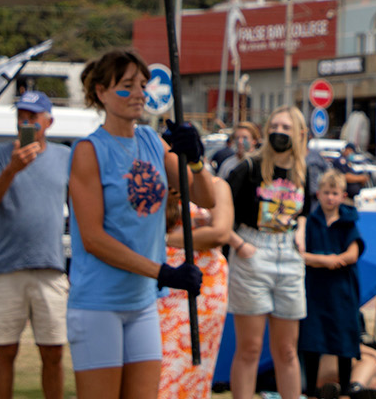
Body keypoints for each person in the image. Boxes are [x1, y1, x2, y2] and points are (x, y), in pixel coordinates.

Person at [65, 50, 212, 399]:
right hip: (98, 303)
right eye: (126, 85)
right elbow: (94, 239)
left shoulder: (150, 140)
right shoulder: (89, 150)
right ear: (101, 92)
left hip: (142, 302)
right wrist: (163, 272)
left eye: (142, 85)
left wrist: (194, 161)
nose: (137, 93)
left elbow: (206, 198)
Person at [0, 90, 72, 399]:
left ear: (49, 121)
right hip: (6, 267)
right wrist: (11, 170)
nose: (26, 121)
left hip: (51, 267)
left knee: (54, 353)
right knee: (6, 350)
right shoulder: (0, 155)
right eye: (21, 116)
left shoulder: (64, 156)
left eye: (33, 116)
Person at [225, 106, 311, 399]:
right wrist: (240, 245)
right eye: (274, 126)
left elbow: (304, 212)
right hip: (252, 252)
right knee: (249, 348)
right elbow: (222, 214)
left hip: (288, 254)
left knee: (287, 350)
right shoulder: (248, 168)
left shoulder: (303, 170)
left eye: (286, 128)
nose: (279, 132)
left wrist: (300, 231)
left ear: (300, 134)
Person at [159, 171, 235, 399]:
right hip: (162, 280)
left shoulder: (216, 186)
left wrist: (166, 239)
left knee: (196, 363)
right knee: (164, 361)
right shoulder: (160, 184)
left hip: (205, 286)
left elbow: (219, 233)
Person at [299, 170, 364, 395]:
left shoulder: (348, 221)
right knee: (312, 338)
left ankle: (346, 385)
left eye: (334, 193)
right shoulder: (309, 222)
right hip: (315, 290)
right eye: (326, 193)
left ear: (342, 195)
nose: (330, 198)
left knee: (343, 336)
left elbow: (353, 254)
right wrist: (327, 260)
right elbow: (301, 255)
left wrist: (334, 260)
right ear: (318, 194)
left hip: (342, 290)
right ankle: (311, 387)